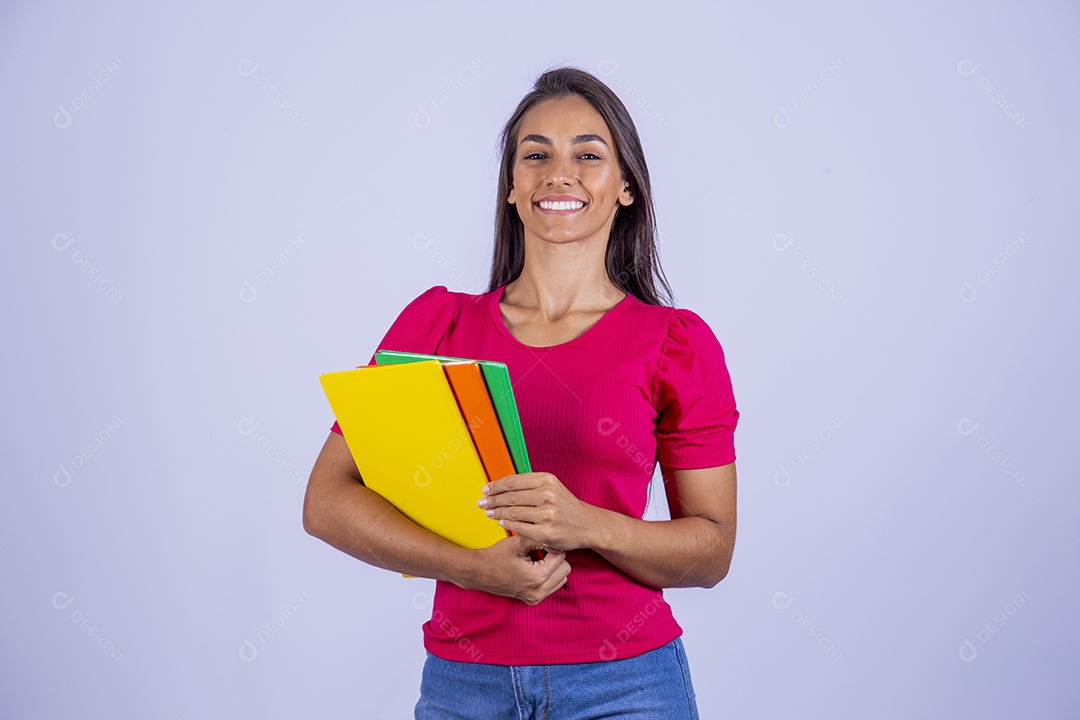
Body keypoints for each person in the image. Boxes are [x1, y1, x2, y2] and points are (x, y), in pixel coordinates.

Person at [303, 66, 739, 719]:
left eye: (588, 155)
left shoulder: (674, 342)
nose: (558, 173)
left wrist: (585, 523)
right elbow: (327, 503)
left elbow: (711, 550)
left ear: (625, 187)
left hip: (624, 686)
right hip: (464, 687)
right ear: (511, 186)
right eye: (535, 155)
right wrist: (474, 566)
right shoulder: (439, 325)